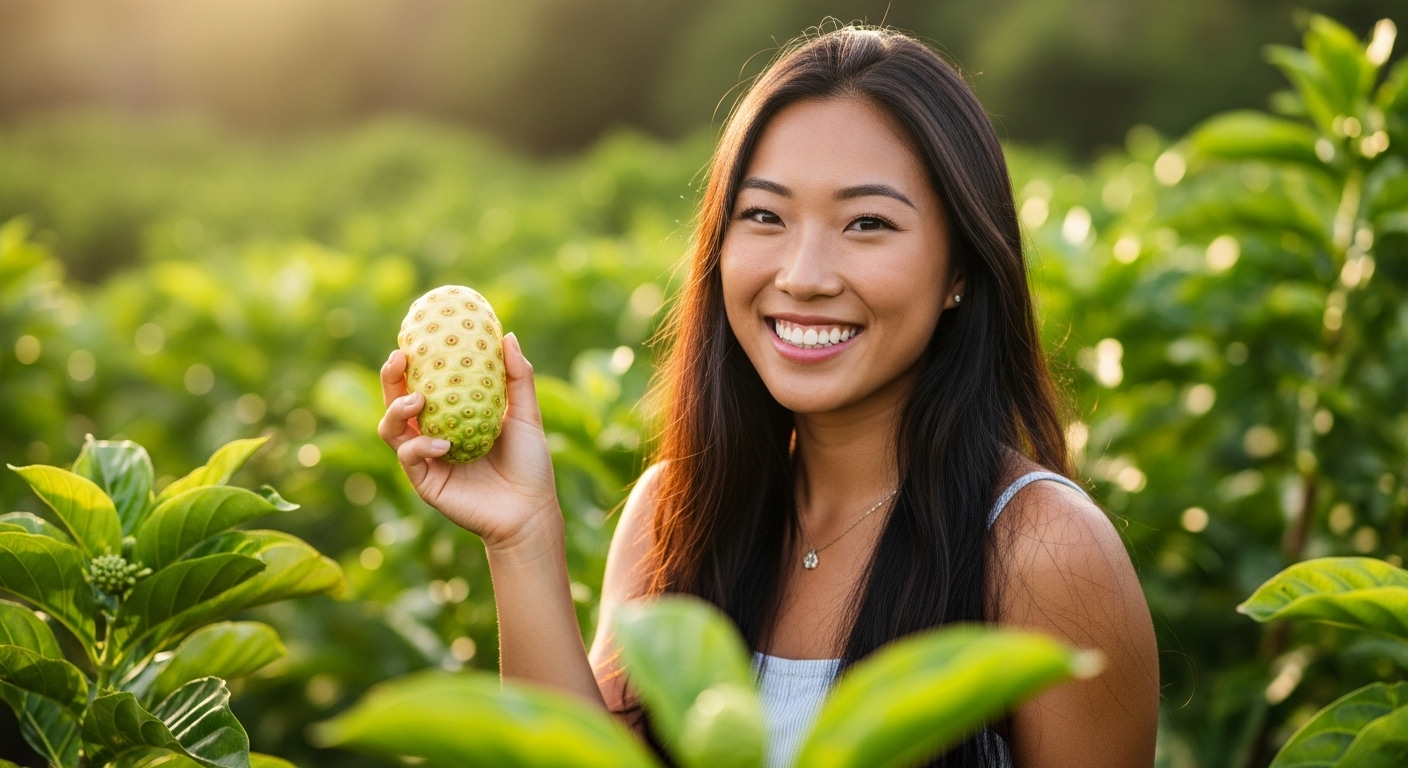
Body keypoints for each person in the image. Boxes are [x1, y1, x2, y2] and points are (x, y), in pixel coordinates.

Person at [378, 25, 1159, 768]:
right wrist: (521, 539)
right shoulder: (673, 517)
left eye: (866, 223)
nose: (804, 275)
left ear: (960, 267)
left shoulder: (1045, 552)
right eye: (763, 216)